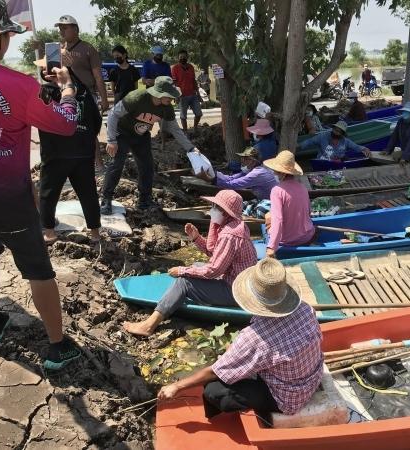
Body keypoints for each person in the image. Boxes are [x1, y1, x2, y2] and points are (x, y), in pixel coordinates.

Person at [0, 0, 81, 369]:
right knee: (37, 268)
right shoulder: (18, 84)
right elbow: (65, 125)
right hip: (6, 198)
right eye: (7, 36)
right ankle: (58, 346)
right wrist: (67, 91)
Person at [157, 257, 323, 422]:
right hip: (312, 379)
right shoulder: (305, 309)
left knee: (214, 390)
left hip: (287, 398)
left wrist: (176, 386)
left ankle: (221, 422)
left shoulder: (255, 338)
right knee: (234, 359)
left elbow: (215, 372)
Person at [123, 190, 257, 337]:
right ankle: (179, 298)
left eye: (215, 207)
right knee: (197, 265)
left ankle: (149, 325)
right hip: (239, 283)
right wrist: (196, 238)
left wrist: (182, 271)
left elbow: (214, 270)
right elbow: (216, 253)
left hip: (237, 291)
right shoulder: (236, 225)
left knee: (184, 282)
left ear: (225, 212)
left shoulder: (229, 235)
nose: (212, 210)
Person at [101, 76, 199, 214]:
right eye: (169, 96)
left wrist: (191, 148)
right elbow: (113, 114)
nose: (172, 99)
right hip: (121, 133)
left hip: (141, 136)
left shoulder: (167, 108)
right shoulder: (137, 98)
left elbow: (175, 129)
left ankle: (144, 200)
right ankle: (106, 199)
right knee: (116, 164)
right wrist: (111, 140)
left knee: (147, 166)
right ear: (159, 94)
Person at [37, 68, 102, 245]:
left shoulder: (46, 91)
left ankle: (49, 233)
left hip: (55, 152)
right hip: (83, 151)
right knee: (88, 192)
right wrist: (86, 137)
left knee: (48, 193)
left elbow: (38, 117)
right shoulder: (84, 91)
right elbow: (96, 120)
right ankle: (95, 233)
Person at [55, 14, 108, 173]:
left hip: (87, 96)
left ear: (75, 29)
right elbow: (50, 73)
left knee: (89, 130)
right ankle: (73, 166)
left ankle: (99, 164)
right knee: (68, 129)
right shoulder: (57, 50)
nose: (61, 31)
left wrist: (104, 99)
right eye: (60, 28)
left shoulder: (88, 49)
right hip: (66, 95)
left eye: (65, 28)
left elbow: (98, 76)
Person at [263, 151, 316, 258]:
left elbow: (278, 220)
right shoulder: (303, 187)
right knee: (270, 215)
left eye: (276, 171)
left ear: (282, 173)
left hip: (288, 240)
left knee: (268, 216)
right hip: (307, 235)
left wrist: (271, 247)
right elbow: (308, 212)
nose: (274, 173)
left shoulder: (277, 191)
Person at [195, 147, 277, 200]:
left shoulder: (257, 173)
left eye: (245, 159)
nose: (242, 161)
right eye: (242, 158)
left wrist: (211, 179)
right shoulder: (252, 170)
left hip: (270, 202)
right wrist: (213, 175)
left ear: (253, 161)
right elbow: (231, 178)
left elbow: (233, 185)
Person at [300, 121, 371, 161]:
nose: (336, 132)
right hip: (324, 162)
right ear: (332, 129)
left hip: (339, 162)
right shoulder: (322, 136)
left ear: (342, 134)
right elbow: (309, 141)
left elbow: (355, 146)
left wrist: (365, 149)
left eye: (339, 132)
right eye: (335, 130)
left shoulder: (345, 141)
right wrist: (299, 146)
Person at [171, 49, 203, 132]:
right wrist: (176, 96)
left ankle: (195, 128)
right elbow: (174, 83)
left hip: (193, 94)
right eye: (181, 57)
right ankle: (185, 132)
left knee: (199, 114)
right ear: (178, 58)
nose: (183, 58)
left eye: (184, 57)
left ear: (187, 57)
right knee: (183, 116)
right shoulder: (175, 68)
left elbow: (194, 81)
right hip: (182, 96)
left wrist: (199, 94)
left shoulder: (191, 67)